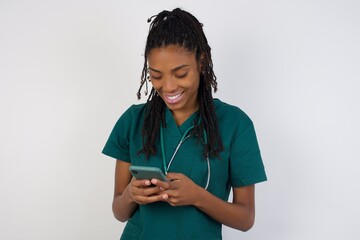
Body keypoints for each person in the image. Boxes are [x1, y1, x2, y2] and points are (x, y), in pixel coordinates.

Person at [102, 8, 267, 240]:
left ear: (201, 62)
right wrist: (130, 194)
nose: (168, 87)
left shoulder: (235, 124)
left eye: (180, 74)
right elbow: (119, 211)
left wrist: (198, 196)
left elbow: (246, 218)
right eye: (156, 76)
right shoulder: (133, 121)